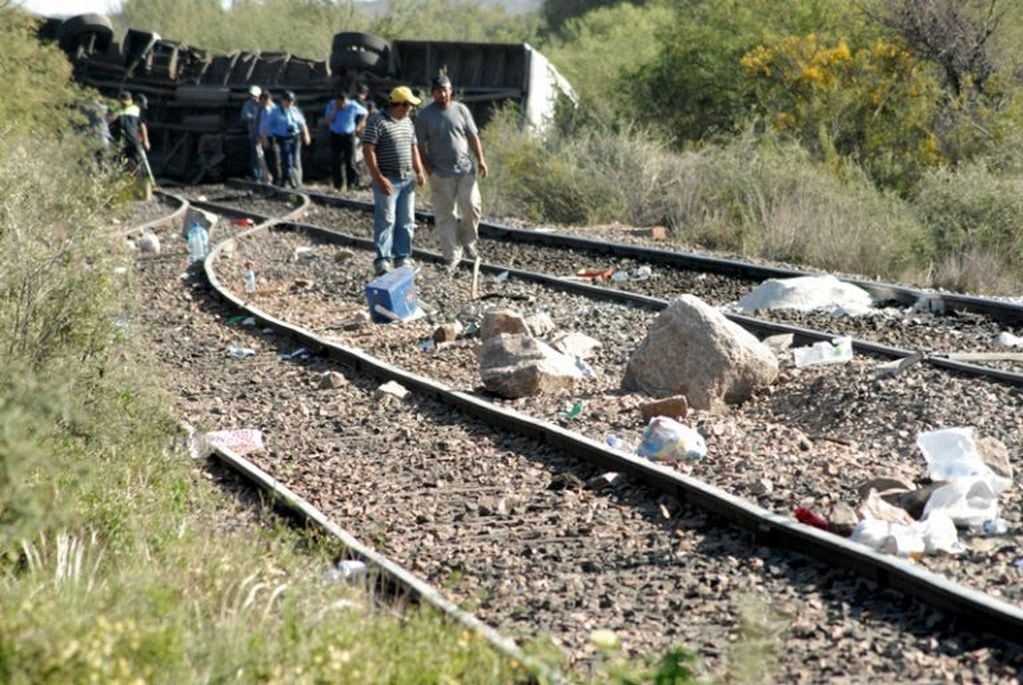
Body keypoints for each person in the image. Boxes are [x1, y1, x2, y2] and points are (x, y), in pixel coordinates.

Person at [414, 74, 488, 273]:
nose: (443, 94)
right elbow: (419, 145)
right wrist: (427, 169)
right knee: (445, 215)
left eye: (446, 90)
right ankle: (451, 256)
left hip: (465, 170)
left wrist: (480, 159)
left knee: (472, 206)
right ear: (433, 93)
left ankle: (469, 242)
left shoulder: (461, 110)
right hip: (440, 173)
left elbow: (473, 136)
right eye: (438, 91)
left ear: (451, 90)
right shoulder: (425, 115)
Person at [362, 86, 426, 275]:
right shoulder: (377, 121)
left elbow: (413, 147)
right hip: (388, 178)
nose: (411, 109)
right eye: (409, 105)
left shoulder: (408, 122)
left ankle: (402, 257)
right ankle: (382, 259)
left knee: (406, 220)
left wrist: (419, 170)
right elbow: (368, 150)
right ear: (400, 104)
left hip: (407, 179)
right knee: (386, 220)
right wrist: (378, 177)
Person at [261, 90, 310, 188]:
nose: (290, 103)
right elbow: (266, 126)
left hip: (295, 137)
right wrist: (265, 138)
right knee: (287, 160)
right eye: (288, 101)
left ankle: (296, 183)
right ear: (283, 101)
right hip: (283, 138)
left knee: (296, 160)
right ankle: (284, 180)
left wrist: (306, 135)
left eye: (291, 101)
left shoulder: (295, 110)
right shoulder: (275, 112)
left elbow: (302, 123)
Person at [322, 91, 367, 191]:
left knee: (350, 160)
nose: (342, 105)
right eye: (339, 103)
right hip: (336, 134)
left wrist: (359, 125)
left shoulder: (353, 105)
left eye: (343, 103)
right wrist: (335, 111)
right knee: (336, 160)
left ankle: (351, 184)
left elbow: (365, 113)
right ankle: (338, 185)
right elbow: (327, 121)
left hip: (349, 134)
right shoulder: (332, 105)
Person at [108, 90, 150, 173]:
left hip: (132, 141)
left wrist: (145, 140)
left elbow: (142, 125)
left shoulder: (135, 110)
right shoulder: (117, 110)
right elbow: (109, 122)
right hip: (121, 142)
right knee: (119, 163)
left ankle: (139, 179)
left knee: (137, 162)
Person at [241, 85, 264, 182]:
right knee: (255, 156)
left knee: (263, 155)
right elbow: (245, 116)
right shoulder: (248, 104)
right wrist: (255, 117)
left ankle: (264, 175)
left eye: (254, 95)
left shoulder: (262, 104)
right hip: (254, 134)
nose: (253, 97)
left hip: (264, 134)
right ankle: (256, 176)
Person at [255, 90, 275, 183]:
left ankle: (272, 178)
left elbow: (268, 126)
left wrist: (264, 137)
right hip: (262, 137)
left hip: (269, 138)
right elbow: (261, 124)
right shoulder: (263, 110)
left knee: (272, 159)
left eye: (262, 100)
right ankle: (266, 178)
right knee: (262, 159)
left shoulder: (273, 110)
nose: (260, 102)